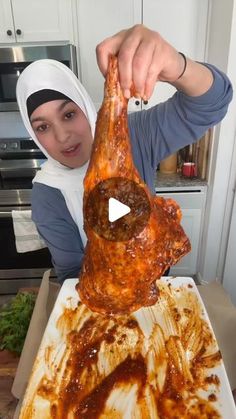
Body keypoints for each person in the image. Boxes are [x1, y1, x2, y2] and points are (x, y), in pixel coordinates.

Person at [16, 24, 232, 283]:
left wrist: (176, 65)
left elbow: (212, 104)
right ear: (33, 133)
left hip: (156, 282)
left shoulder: (132, 136)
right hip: (102, 301)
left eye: (69, 114)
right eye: (43, 127)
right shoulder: (47, 192)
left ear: (85, 106)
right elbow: (72, 276)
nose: (62, 136)